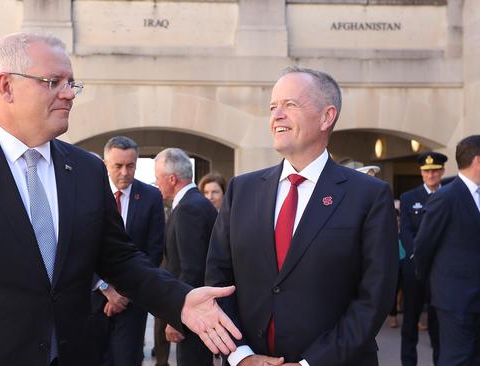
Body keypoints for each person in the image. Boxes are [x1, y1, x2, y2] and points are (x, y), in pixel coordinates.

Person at [0, 32, 240, 366]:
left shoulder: (85, 169)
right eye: (53, 82)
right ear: (6, 86)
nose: (69, 93)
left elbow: (120, 259)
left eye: (71, 84)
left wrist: (180, 299)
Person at [205, 67, 398, 366]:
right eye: (273, 107)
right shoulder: (242, 190)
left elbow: (374, 297)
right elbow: (218, 278)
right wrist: (241, 355)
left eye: (290, 105)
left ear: (326, 116)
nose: (277, 115)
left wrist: (312, 363)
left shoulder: (369, 195)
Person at [92, 136, 165, 366]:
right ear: (105, 165)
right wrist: (105, 288)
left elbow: (153, 251)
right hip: (93, 301)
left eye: (130, 165)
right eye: (118, 166)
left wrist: (123, 293)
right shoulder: (88, 193)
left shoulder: (151, 197)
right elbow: (80, 247)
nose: (125, 172)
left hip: (132, 302)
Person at [414, 135, 480, 366]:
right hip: (455, 301)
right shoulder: (446, 197)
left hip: (475, 299)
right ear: (478, 161)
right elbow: (423, 247)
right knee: (458, 360)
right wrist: (436, 286)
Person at [155, 148, 218, 366]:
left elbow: (192, 268)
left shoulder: (188, 208)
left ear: (172, 179)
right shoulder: (196, 203)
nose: (156, 183)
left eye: (158, 178)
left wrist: (177, 318)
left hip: (194, 312)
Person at [399, 151, 446, 366]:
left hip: (442, 271)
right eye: (427, 171)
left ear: (442, 171)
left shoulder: (450, 195)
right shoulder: (409, 198)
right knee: (410, 323)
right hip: (415, 270)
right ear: (421, 172)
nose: (431, 175)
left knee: (438, 324)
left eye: (435, 171)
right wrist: (419, 256)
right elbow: (406, 232)